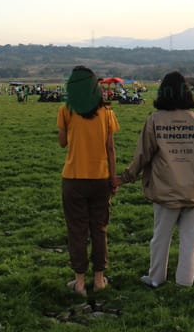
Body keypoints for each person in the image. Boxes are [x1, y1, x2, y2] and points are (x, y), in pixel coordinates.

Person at [118, 71, 194, 288]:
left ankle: (156, 278)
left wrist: (125, 177)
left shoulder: (154, 120)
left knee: (160, 237)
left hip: (165, 190)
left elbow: (142, 155)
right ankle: (185, 282)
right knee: (190, 240)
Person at [57, 66, 120, 296]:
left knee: (77, 231)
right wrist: (113, 178)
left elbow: (62, 143)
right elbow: (110, 148)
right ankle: (100, 279)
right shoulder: (106, 113)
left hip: (73, 178)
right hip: (100, 178)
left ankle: (80, 282)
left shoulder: (66, 110)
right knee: (99, 229)